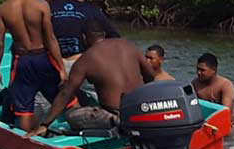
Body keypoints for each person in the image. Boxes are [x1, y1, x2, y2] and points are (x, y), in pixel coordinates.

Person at [25, 19, 154, 137]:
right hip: (140, 109)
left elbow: (65, 93)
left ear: (84, 37)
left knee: (71, 115)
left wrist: (45, 124)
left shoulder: (86, 59)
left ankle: (113, 124)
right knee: (87, 97)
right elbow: (150, 76)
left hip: (115, 116)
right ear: (103, 34)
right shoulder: (129, 45)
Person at [0, 0, 67, 131]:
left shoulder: (4, 9)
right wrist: (61, 67)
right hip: (43, 59)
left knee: (24, 110)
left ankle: (26, 141)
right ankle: (77, 132)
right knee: (66, 99)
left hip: (22, 61)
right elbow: (50, 38)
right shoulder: (41, 6)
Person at [49, 0, 120, 74]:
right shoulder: (91, 10)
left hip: (53, 62)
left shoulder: (49, 7)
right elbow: (114, 36)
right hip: (82, 61)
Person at [192, 53, 234, 120]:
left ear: (214, 70)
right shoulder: (195, 83)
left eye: (202, 70)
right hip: (202, 122)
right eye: (198, 69)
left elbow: (226, 112)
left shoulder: (225, 85)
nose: (198, 72)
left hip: (223, 123)